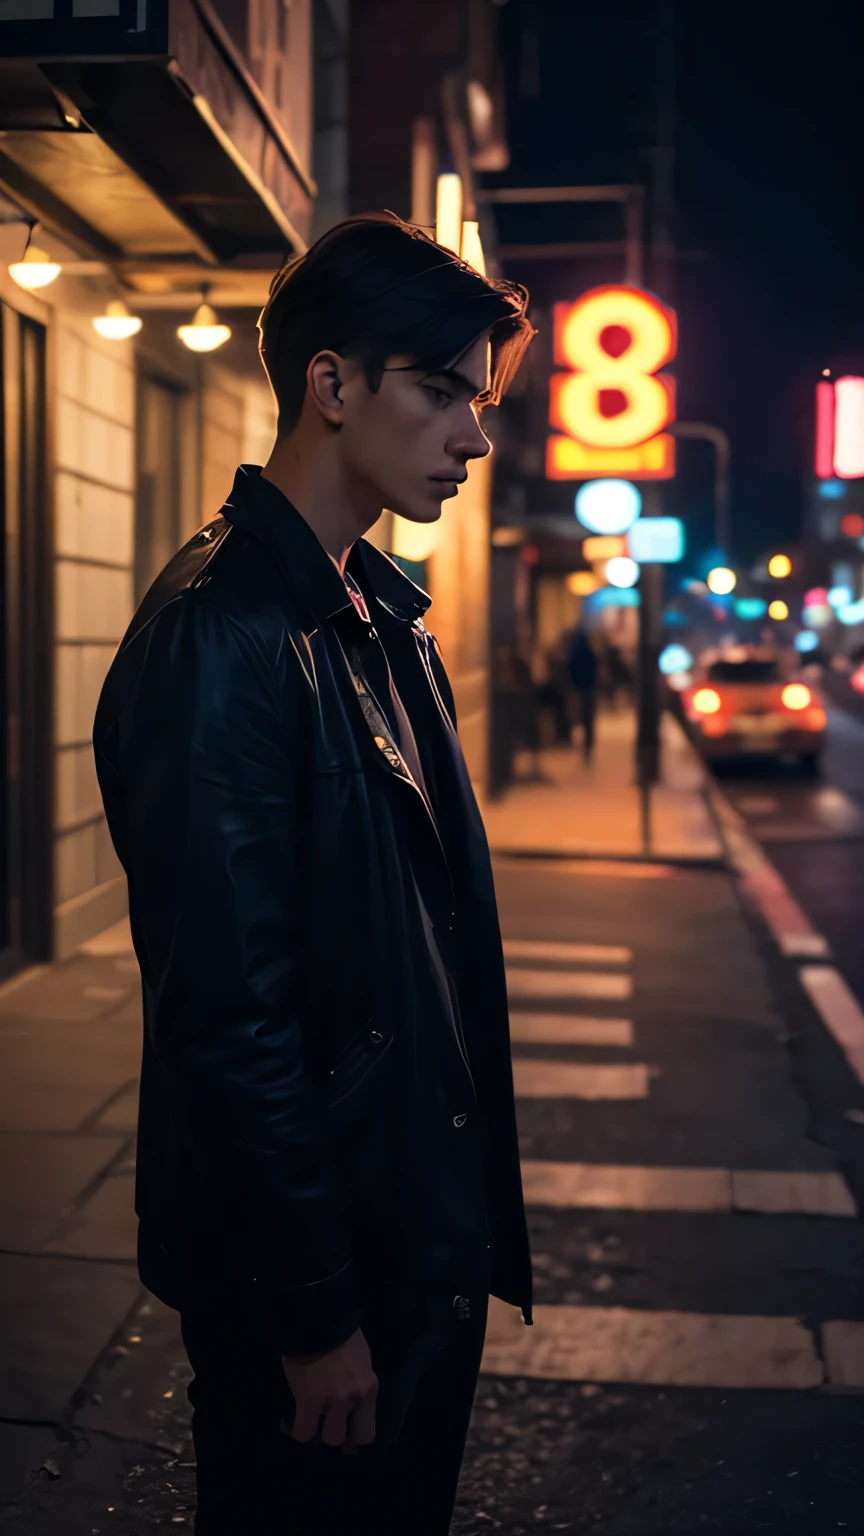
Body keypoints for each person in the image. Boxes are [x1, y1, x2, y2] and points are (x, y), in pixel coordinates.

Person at [93, 212, 535, 1536]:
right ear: (332, 384)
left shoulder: (374, 619)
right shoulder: (223, 639)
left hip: (398, 1237)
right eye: (444, 391)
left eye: (484, 399)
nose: (474, 436)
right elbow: (232, 1018)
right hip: (322, 1274)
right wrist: (311, 1308)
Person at [567, 625, 598, 761]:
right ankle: (588, 745)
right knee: (587, 720)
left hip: (579, 690)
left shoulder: (575, 654)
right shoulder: (589, 653)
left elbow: (571, 672)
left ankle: (585, 745)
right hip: (588, 690)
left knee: (579, 718)